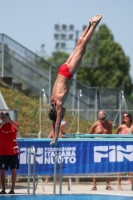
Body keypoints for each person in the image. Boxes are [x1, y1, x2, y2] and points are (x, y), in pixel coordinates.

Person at [48, 14, 102, 146]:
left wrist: (55, 139)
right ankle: (89, 24)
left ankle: (94, 26)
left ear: (58, 113)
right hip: (61, 71)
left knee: (82, 47)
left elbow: (56, 123)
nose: (64, 112)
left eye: (61, 114)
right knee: (78, 46)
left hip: (67, 73)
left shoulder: (59, 104)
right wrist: (54, 136)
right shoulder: (52, 101)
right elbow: (53, 120)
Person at [89, 110, 113, 190]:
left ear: (105, 115)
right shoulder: (95, 124)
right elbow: (90, 135)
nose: (102, 117)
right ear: (98, 116)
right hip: (97, 147)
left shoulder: (109, 123)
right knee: (95, 166)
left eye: (103, 115)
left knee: (107, 166)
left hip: (106, 147)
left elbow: (110, 134)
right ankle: (94, 184)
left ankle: (108, 184)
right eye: (100, 116)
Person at [0, 111, 20, 194]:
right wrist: (3, 123)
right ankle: (3, 189)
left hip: (13, 151)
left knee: (14, 170)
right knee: (3, 170)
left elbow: (18, 129)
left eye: (6, 115)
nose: (5, 117)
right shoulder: (1, 126)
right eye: (3, 116)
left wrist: (10, 121)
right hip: (3, 151)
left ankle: (12, 189)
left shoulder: (13, 123)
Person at [115, 112, 133, 190]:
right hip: (121, 148)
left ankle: (131, 181)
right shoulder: (121, 127)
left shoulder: (132, 127)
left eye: (127, 116)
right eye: (123, 116)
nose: (125, 117)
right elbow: (115, 134)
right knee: (120, 167)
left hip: (130, 148)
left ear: (130, 118)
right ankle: (119, 184)